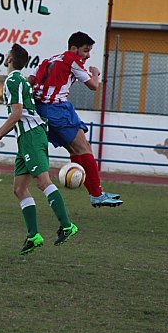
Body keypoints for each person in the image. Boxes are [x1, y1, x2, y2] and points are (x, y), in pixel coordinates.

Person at [0, 44, 78, 255]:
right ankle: (34, 235)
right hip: (26, 137)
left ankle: (67, 225)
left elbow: (17, 113)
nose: (5, 57)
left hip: (31, 135)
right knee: (18, 188)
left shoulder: (13, 80)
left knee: (43, 182)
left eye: (7, 55)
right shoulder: (19, 81)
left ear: (9, 60)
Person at [27, 32, 123, 207]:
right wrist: (95, 73)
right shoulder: (72, 60)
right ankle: (97, 194)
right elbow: (93, 86)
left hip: (41, 110)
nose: (87, 55)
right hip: (57, 109)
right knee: (83, 148)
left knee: (75, 150)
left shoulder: (49, 59)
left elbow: (30, 80)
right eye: (85, 51)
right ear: (73, 48)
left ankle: (95, 192)